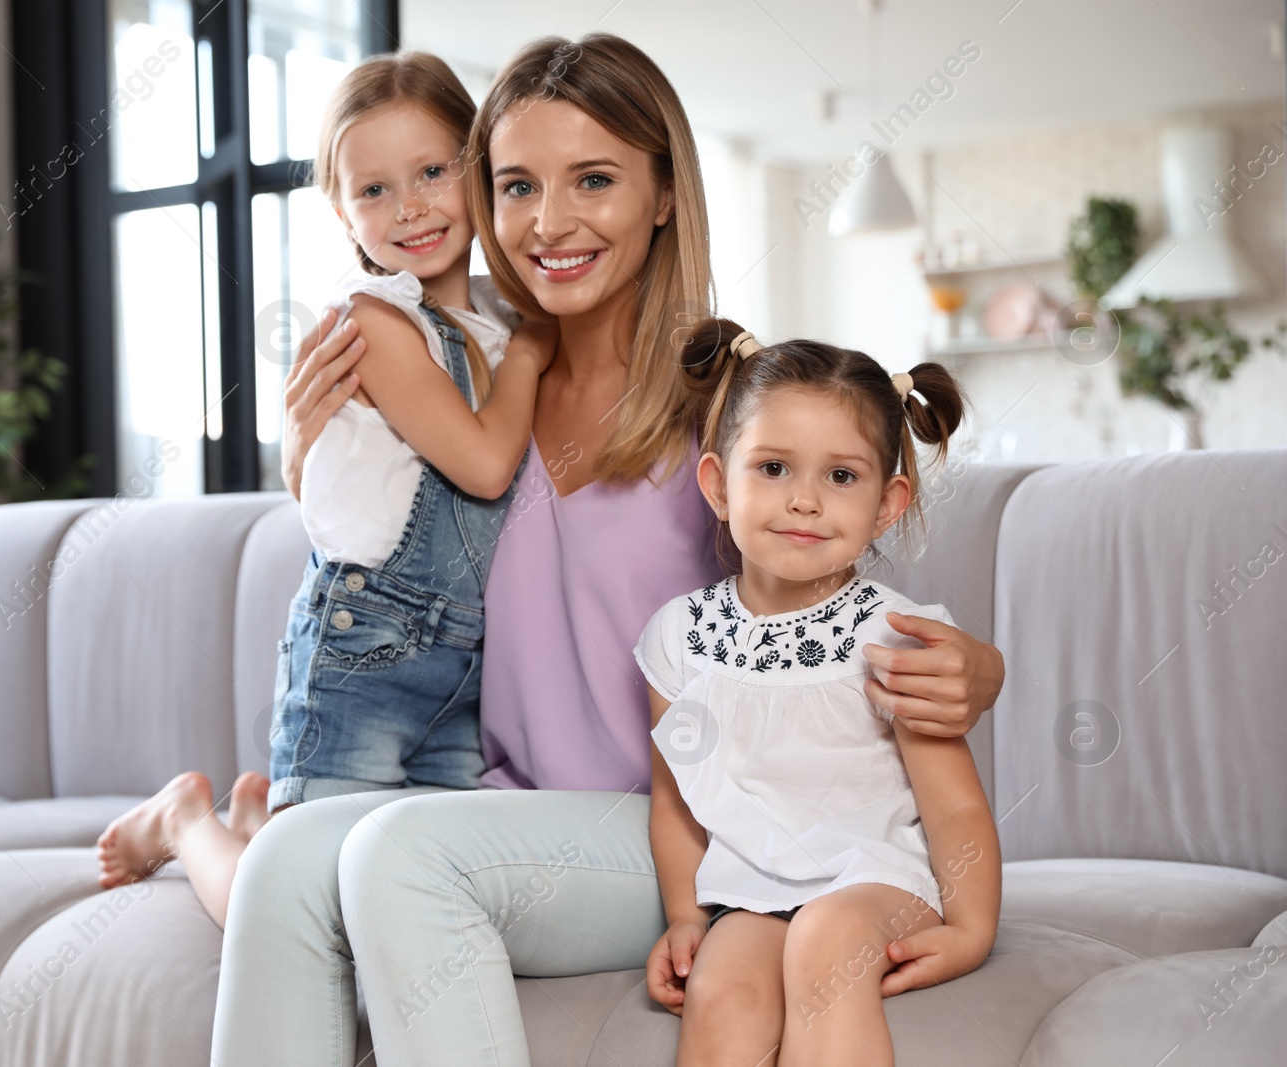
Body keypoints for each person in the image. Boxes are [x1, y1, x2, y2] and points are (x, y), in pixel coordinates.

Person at [213, 33, 1007, 1066]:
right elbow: (375, 556)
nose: (550, 222)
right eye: (515, 185)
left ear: (665, 193)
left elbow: (832, 590)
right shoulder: (476, 389)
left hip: (672, 831)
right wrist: (309, 460)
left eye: (594, 179)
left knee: (398, 855)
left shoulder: (731, 402)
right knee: (279, 861)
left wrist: (977, 668)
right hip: (505, 810)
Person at [93, 50, 555, 927]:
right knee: (300, 919)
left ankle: (262, 819)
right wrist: (533, 353)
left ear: (479, 165)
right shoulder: (374, 321)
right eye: (373, 189)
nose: (410, 205)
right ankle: (189, 817)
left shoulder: (495, 314)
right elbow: (486, 465)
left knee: (430, 902)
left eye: (432, 171)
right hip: (366, 651)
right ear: (339, 208)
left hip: (469, 672)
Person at [639, 321, 1000, 1066]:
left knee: (824, 935)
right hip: (752, 889)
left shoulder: (896, 638)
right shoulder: (680, 637)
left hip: (876, 878)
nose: (804, 500)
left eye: (840, 476)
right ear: (717, 484)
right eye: (773, 467)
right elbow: (676, 800)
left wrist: (971, 926)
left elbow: (955, 804)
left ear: (887, 502)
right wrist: (684, 915)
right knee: (725, 985)